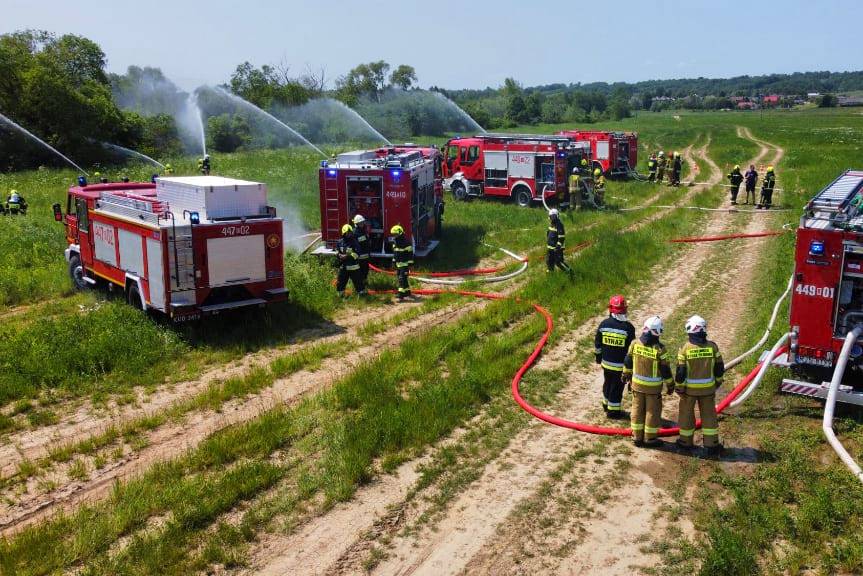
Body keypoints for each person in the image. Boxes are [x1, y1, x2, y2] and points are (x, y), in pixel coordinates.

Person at [675, 315, 725, 456]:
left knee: (686, 415)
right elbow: (719, 367)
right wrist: (718, 381)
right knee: (709, 416)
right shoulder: (712, 347)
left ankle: (685, 442)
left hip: (689, 392)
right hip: (708, 390)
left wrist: (679, 387)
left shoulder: (685, 349)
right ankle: (711, 444)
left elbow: (681, 371)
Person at [622, 316, 674, 447]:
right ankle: (650, 439)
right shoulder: (660, 349)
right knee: (652, 412)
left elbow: (628, 361)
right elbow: (665, 370)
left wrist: (625, 374)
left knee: (637, 410)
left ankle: (636, 437)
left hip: (637, 386)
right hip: (653, 389)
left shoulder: (635, 344)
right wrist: (670, 384)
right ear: (658, 332)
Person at [594, 295, 636, 418]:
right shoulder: (628, 328)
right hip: (619, 366)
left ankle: (605, 404)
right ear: (625, 310)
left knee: (607, 383)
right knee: (617, 388)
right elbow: (631, 349)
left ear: (610, 309)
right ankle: (613, 412)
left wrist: (598, 357)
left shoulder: (604, 324)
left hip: (606, 363)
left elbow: (598, 343)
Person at [336, 224, 364, 297]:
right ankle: (340, 295)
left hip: (353, 267)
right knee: (341, 281)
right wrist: (339, 255)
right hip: (343, 266)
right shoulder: (340, 242)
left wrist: (347, 256)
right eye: (348, 233)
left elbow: (357, 254)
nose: (349, 234)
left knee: (358, 282)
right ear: (344, 233)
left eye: (350, 233)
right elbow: (337, 251)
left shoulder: (354, 242)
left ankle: (361, 295)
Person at [391, 224, 413, 299]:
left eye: (395, 234)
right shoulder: (395, 243)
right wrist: (393, 261)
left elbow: (410, 255)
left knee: (401, 278)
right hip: (398, 264)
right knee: (402, 279)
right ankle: (407, 292)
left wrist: (410, 264)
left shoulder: (406, 243)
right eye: (393, 234)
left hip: (405, 264)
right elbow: (395, 254)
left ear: (400, 233)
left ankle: (401, 293)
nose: (394, 236)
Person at [353, 214, 371, 288]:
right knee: (360, 272)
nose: (363, 224)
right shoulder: (355, 233)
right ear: (357, 224)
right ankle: (360, 286)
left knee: (365, 271)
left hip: (365, 256)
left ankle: (364, 283)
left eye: (363, 222)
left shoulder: (362, 231)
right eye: (361, 223)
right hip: (360, 257)